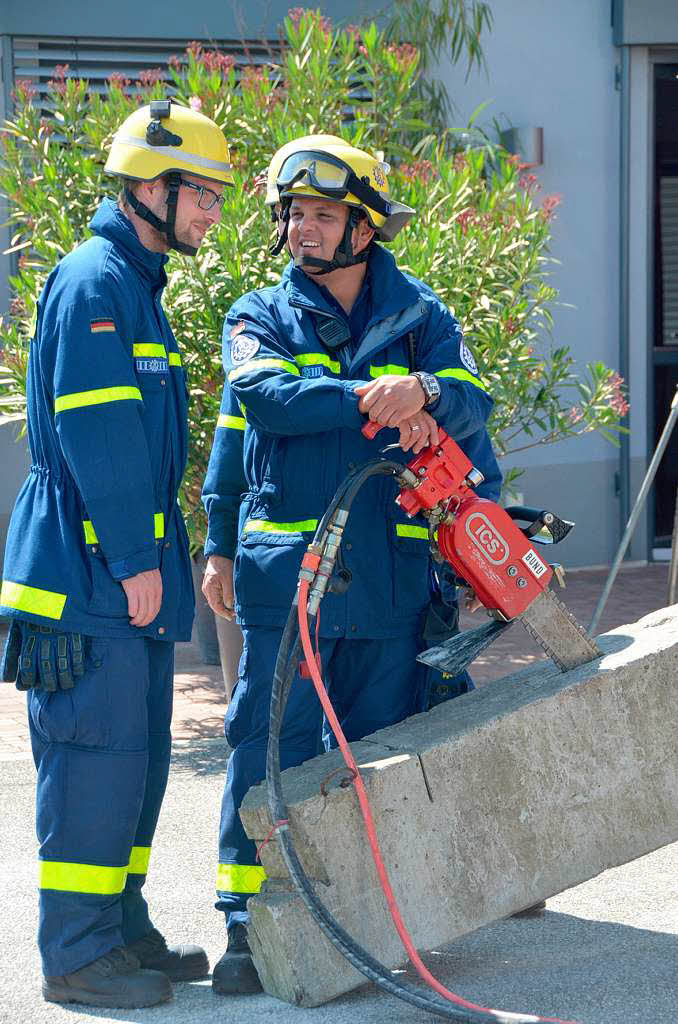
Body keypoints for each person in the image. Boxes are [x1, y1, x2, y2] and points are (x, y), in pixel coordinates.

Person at [201, 136, 502, 995]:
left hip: (394, 586)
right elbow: (259, 407)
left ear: (365, 229)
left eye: (323, 213)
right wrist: (385, 397)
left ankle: (373, 922)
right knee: (270, 746)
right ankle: (243, 923)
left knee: (379, 754)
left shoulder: (422, 314)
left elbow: (474, 406)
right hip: (286, 582)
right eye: (293, 212)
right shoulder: (257, 314)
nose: (302, 228)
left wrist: (433, 393)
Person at [0, 99, 233, 1009]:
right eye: (201, 195)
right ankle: (76, 954)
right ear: (150, 188)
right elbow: (100, 441)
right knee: (95, 759)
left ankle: (120, 928)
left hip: (119, 563)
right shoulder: (97, 283)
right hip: (89, 568)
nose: (213, 214)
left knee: (135, 761)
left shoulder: (136, 285)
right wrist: (138, 560)